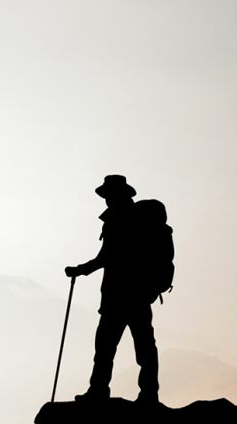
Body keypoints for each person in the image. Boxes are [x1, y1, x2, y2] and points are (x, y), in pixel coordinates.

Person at [65, 174, 166, 405]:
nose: (106, 199)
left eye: (108, 195)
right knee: (141, 346)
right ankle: (148, 394)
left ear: (116, 194)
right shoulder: (133, 218)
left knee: (107, 346)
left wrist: (80, 270)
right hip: (137, 296)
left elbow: (106, 257)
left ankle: (100, 391)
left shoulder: (120, 220)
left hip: (119, 296)